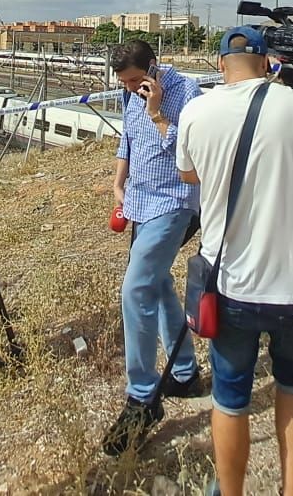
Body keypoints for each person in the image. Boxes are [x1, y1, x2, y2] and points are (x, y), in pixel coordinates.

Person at [176, 26, 293, 496]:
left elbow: (188, 172)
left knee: (231, 398)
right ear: (268, 62)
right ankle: (292, 490)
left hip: (230, 285)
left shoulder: (195, 111)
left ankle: (231, 491)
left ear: (221, 65)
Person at [101, 39, 205, 456]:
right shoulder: (130, 93)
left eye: (133, 81)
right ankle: (184, 372)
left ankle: (142, 398)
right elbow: (127, 138)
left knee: (136, 289)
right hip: (139, 201)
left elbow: (190, 154)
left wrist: (157, 111)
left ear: (153, 68)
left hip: (174, 202)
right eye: (122, 83)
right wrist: (118, 181)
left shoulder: (189, 94)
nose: (128, 89)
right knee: (157, 284)